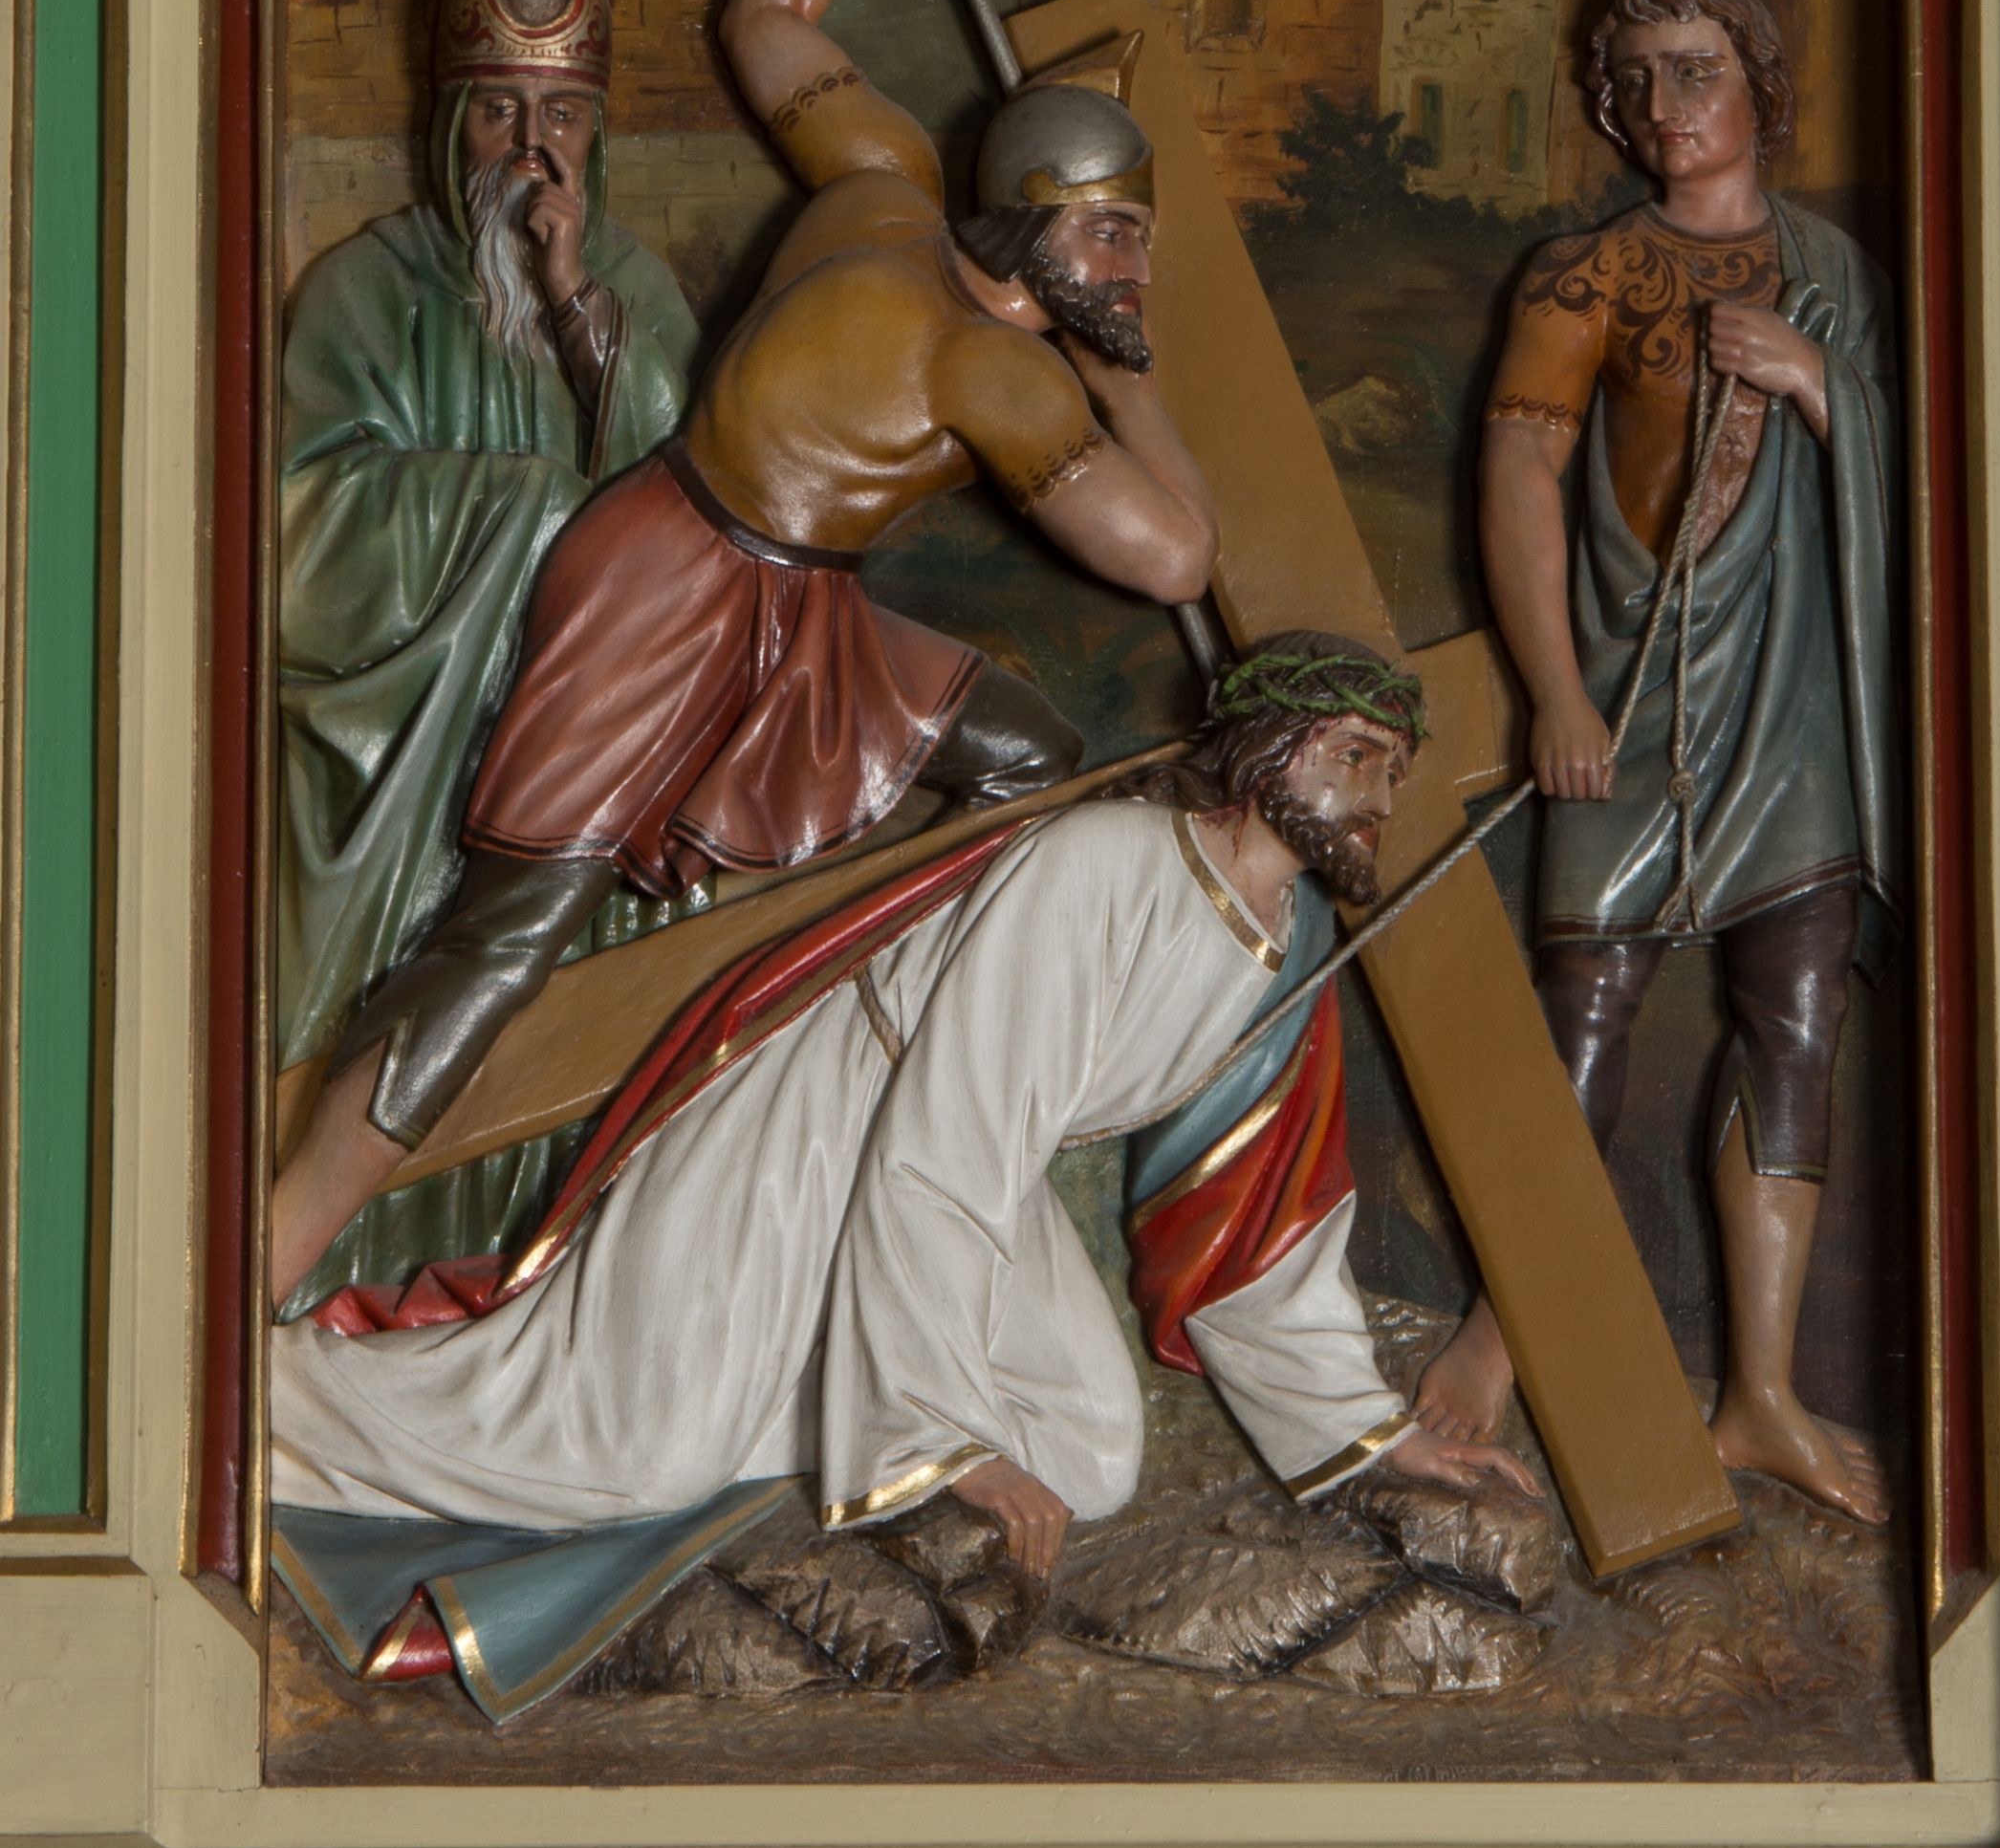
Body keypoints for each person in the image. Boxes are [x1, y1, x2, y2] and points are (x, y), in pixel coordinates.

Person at [267, 0, 1219, 1306]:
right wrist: (1139, 384)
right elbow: (1175, 557)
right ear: (1036, 222)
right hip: (671, 588)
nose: (1130, 272)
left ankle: (865, 1056)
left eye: (1140, 243)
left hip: (798, 609)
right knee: (509, 930)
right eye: (1112, 237)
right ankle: (283, 1238)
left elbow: (764, 15)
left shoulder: (882, 175)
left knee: (1030, 756)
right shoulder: (998, 375)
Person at [267, 634, 1527, 1715]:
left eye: (1394, 770)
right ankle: (261, 1397)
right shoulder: (1105, 864)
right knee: (632, 1448)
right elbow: (946, 1137)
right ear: (1265, 752)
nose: (1377, 794)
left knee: (1087, 1450)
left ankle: (825, 1391)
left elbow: (1252, 1210)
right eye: (1352, 754)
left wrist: (1368, 1434)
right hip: (825, 1115)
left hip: (970, 1160)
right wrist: (944, 1437)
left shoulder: (1281, 945)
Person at [1423, 0, 1897, 1524]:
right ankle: (1502, 1333)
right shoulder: (1586, 275)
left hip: (1801, 701)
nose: (1661, 104)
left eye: (1696, 70)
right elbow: (1521, 480)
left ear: (1760, 83)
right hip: (1635, 685)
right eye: (1632, 80)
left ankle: (1761, 1391)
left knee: (1795, 1017)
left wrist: (1819, 383)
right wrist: (1556, 690)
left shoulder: (1836, 275)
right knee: (1587, 1003)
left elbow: (1935, 470)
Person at [277, 0, 699, 1308]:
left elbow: (698, 516)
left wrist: (582, 314)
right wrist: (519, 516)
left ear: (599, 132)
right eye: (500, 113)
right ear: (447, 120)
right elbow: (300, 535)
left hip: (590, 754)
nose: (533, 150)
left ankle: (551, 1309)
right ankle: (353, 1286)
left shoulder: (634, 291)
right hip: (416, 749)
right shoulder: (366, 291)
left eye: (563, 115)